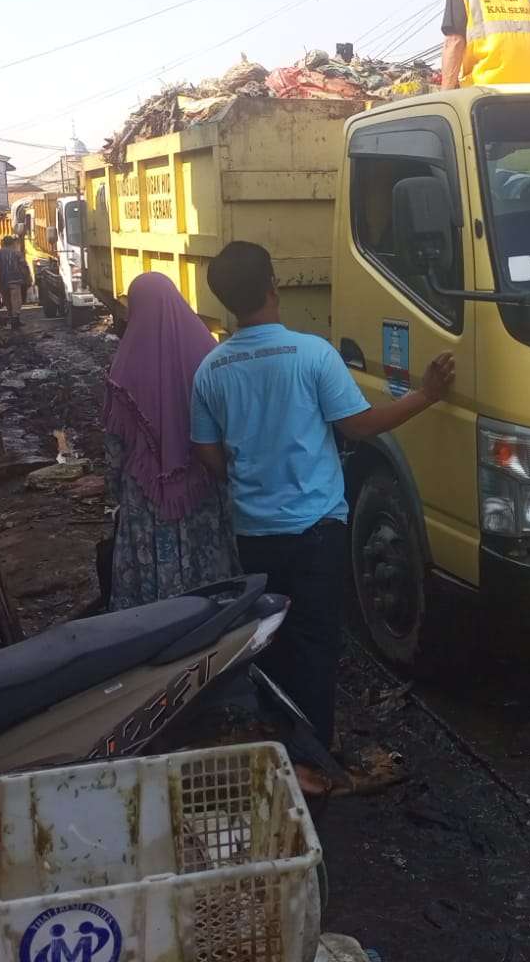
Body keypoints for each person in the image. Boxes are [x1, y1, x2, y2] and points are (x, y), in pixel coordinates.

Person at [191, 241, 454, 790]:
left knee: (269, 638)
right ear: (272, 288)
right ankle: (311, 762)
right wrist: (427, 394)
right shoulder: (312, 355)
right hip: (315, 530)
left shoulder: (212, 369)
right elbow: (359, 426)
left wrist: (251, 479)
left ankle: (283, 743)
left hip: (253, 531)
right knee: (315, 640)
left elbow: (210, 456)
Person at [102, 273, 238, 611]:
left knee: (149, 588)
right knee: (211, 567)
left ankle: (157, 628)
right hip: (203, 485)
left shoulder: (123, 369)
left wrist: (116, 491)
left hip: (145, 499)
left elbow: (115, 448)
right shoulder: (208, 356)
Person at [0, 236, 32, 328]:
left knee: (7, 300)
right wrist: (28, 278)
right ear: (12, 243)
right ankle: (15, 318)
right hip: (15, 280)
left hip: (3, 281)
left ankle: (11, 317)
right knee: (16, 299)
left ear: (2, 243)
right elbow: (24, 266)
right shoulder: (17, 253)